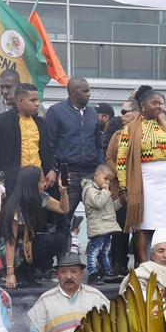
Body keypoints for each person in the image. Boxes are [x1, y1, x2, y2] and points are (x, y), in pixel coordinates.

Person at [115, 85, 166, 264]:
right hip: (142, 179)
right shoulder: (129, 128)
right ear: (142, 105)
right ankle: (144, 264)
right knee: (143, 225)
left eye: (160, 103)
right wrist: (123, 186)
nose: (159, 106)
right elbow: (121, 159)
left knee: (165, 224)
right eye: (154, 103)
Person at [45, 77, 103, 229]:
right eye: (85, 91)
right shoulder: (56, 111)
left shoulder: (92, 114)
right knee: (64, 218)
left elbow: (98, 144)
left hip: (91, 173)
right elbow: (49, 144)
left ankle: (96, 252)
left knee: (99, 219)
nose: (89, 94)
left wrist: (99, 165)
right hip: (69, 173)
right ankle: (63, 252)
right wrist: (54, 169)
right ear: (73, 92)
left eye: (89, 90)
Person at [0, 165, 68, 288]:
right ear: (32, 184)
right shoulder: (16, 208)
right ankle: (18, 273)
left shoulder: (40, 197)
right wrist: (10, 273)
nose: (45, 184)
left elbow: (63, 208)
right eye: (42, 182)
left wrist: (63, 190)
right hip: (8, 251)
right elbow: (10, 242)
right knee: (45, 240)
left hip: (25, 245)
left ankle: (29, 272)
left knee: (58, 239)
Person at [0, 82, 54, 194]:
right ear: (20, 101)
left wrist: (53, 169)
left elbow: (48, 149)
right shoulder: (1, 121)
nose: (37, 104)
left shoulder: (40, 122)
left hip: (39, 181)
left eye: (37, 100)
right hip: (12, 183)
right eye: (33, 100)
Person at [105, 99, 140, 275]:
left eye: (124, 112)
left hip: (142, 188)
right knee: (120, 228)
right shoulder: (117, 134)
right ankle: (119, 263)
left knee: (142, 228)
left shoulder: (146, 133)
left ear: (135, 113)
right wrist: (121, 173)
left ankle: (143, 264)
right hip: (120, 189)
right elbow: (109, 157)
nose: (120, 115)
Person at [81, 164, 124, 284]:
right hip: (98, 227)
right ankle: (92, 272)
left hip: (106, 227)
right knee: (94, 250)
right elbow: (98, 203)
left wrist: (121, 199)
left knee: (105, 251)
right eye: (105, 179)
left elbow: (111, 207)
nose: (108, 183)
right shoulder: (90, 190)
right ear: (95, 176)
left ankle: (107, 272)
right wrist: (106, 190)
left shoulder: (103, 191)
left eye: (110, 181)